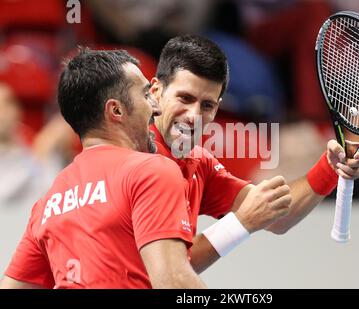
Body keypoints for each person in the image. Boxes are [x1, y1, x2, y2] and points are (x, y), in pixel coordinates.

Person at [147, 34, 359, 273]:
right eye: (185, 98)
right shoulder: (133, 156)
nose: (194, 116)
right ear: (156, 91)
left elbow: (276, 217)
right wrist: (241, 223)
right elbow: (168, 270)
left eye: (207, 105)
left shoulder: (198, 163)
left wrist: (329, 168)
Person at [0, 49, 224, 288]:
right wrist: (239, 226)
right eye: (146, 95)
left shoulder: (48, 203)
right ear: (116, 110)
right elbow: (173, 282)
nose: (157, 107)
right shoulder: (151, 171)